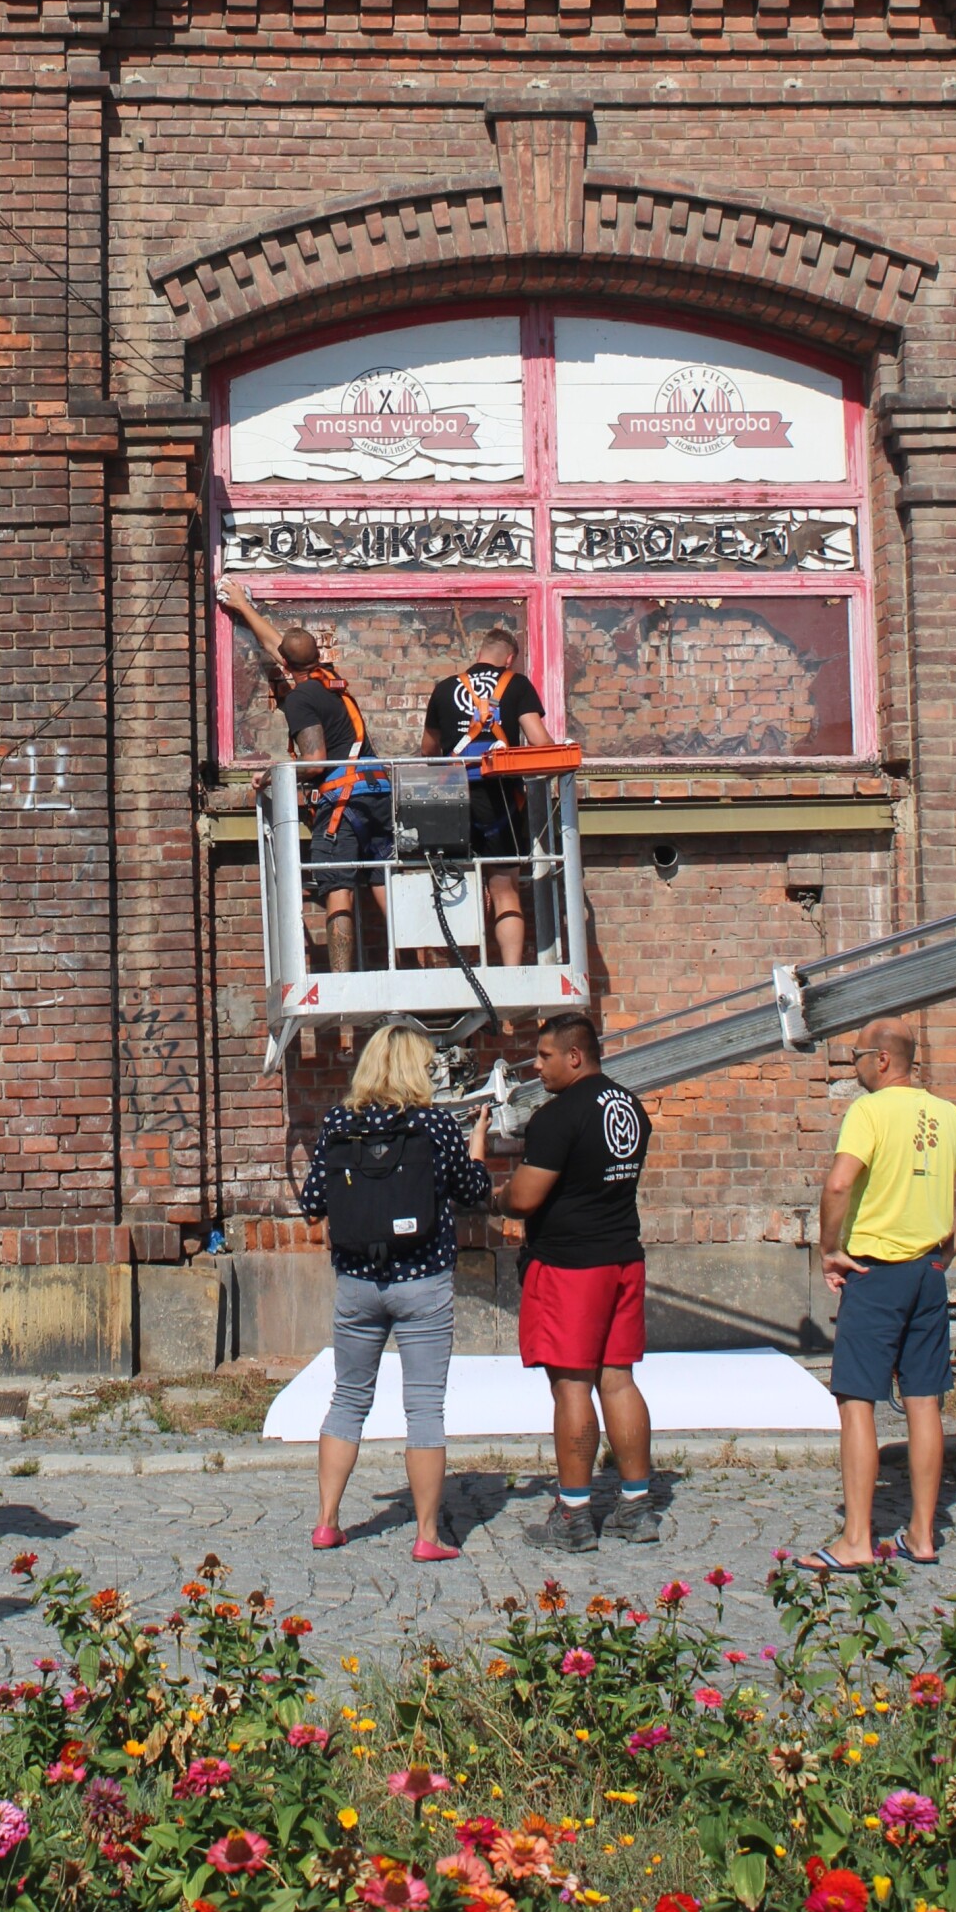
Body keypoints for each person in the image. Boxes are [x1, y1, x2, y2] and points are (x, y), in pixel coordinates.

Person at [802, 1018, 956, 1573]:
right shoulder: (946, 1113)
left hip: (876, 1274)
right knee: (923, 1401)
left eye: (856, 1055)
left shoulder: (868, 1112)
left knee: (856, 1400)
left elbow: (839, 1183)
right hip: (927, 1274)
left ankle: (855, 1540)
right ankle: (922, 1534)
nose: (853, 1065)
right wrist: (950, 1249)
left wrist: (829, 1249)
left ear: (882, 1060)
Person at [297, 1019, 491, 1559]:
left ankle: (327, 1522)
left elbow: (311, 1202)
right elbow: (474, 1190)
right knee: (424, 1408)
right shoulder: (435, 1125)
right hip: (423, 1280)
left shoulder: (339, 1123)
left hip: (357, 1282)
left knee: (347, 1399)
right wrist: (478, 1141)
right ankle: (427, 1536)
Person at [500, 1010, 660, 1550]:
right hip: (623, 1256)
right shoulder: (630, 1105)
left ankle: (573, 1514)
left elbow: (525, 1197)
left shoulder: (558, 1116)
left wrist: (498, 1198)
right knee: (618, 1379)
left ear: (574, 1056)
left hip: (570, 1266)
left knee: (571, 1385)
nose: (536, 1066)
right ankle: (637, 1507)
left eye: (544, 1056)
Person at [221, 581, 392, 974]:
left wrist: (271, 775)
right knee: (381, 881)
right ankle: (410, 962)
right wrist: (243, 607)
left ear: (286, 663)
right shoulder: (329, 680)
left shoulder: (299, 699)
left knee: (337, 888)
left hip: (343, 802)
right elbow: (277, 645)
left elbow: (314, 762)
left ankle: (340, 981)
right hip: (376, 792)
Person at [421, 626, 554, 967]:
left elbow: (428, 749)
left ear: (479, 653)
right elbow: (540, 742)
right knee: (504, 890)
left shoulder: (444, 688)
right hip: (500, 798)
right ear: (509, 659)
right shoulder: (517, 685)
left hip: (452, 796)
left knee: (455, 887)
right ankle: (510, 975)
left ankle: (459, 970)